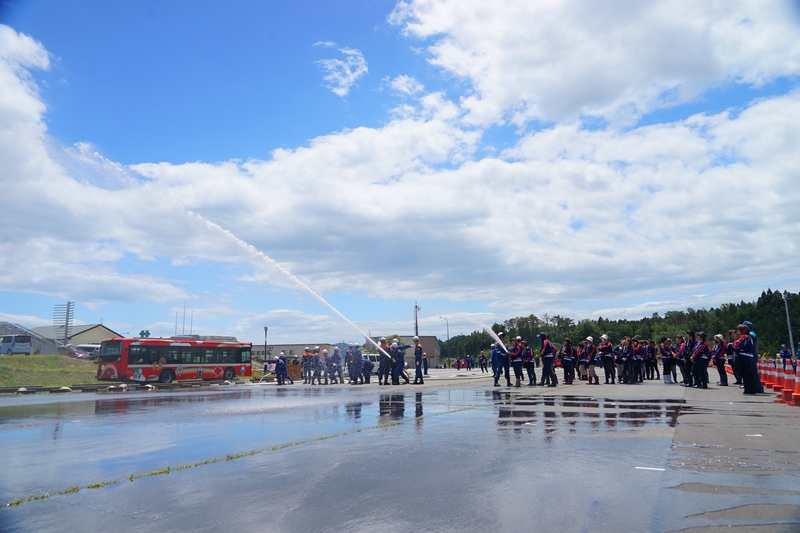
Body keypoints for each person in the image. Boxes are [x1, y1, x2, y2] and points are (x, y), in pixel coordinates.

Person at [733, 324, 757, 394]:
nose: (737, 332)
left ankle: (749, 389)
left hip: (744, 357)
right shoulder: (748, 337)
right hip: (748, 357)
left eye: (738, 330)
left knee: (746, 374)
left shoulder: (744, 337)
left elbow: (736, 345)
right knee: (748, 374)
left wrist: (734, 347)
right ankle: (751, 389)